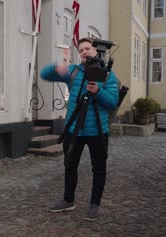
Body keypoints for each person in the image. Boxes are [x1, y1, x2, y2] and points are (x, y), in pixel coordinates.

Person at [40, 37, 119, 221]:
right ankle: (68, 200)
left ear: (95, 50)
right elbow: (45, 75)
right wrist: (55, 68)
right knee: (69, 165)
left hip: (98, 130)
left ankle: (94, 204)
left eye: (87, 48)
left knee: (99, 168)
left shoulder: (107, 75)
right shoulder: (73, 72)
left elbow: (113, 102)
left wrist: (98, 92)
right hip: (74, 129)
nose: (84, 52)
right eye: (81, 49)